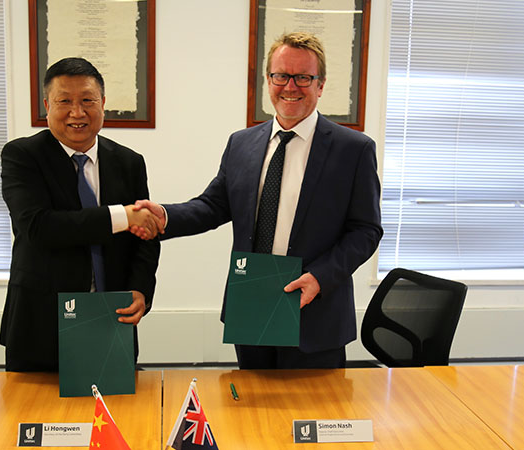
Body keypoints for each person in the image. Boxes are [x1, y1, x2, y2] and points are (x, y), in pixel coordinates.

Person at [133, 32, 382, 369]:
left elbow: (365, 231)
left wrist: (319, 278)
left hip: (314, 310)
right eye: (281, 75)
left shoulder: (354, 149)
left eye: (303, 77)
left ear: (320, 85)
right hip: (250, 304)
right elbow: (212, 206)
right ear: (268, 81)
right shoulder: (242, 144)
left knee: (312, 415)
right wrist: (165, 216)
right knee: (251, 414)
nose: (290, 86)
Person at [0, 57, 161, 372]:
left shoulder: (129, 162)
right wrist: (122, 217)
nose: (77, 112)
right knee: (33, 415)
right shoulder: (22, 156)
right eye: (65, 101)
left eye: (88, 100)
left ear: (103, 104)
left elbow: (146, 235)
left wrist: (141, 288)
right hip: (40, 323)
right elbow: (39, 227)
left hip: (110, 317)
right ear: (47, 105)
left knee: (116, 419)